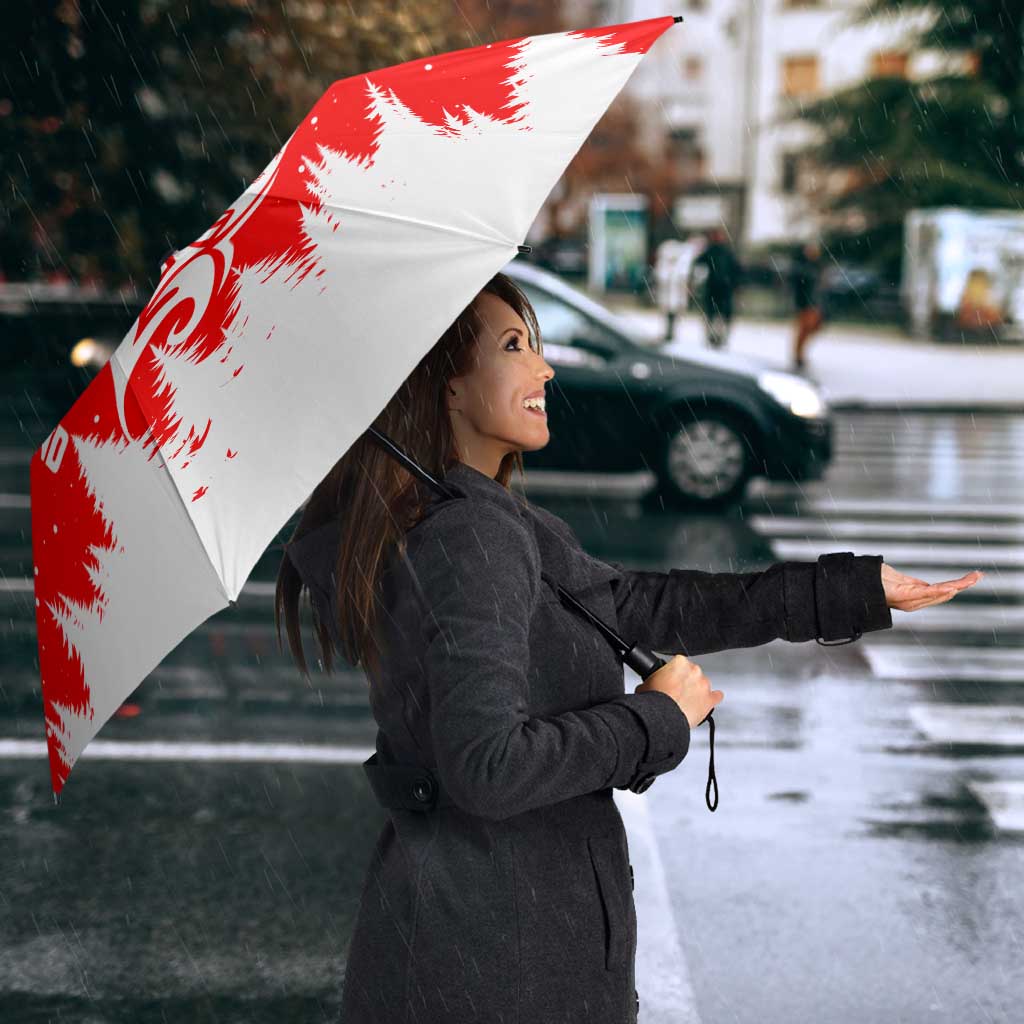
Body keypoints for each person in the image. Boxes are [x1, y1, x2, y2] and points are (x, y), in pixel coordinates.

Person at [275, 271, 975, 1024]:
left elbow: (639, 605)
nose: (544, 368)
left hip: (480, 941)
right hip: (500, 962)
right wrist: (656, 719)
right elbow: (487, 767)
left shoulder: (476, 517)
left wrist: (850, 591)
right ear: (445, 386)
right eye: (514, 346)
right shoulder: (469, 536)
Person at [692, 226, 742, 349]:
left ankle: (719, 337)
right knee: (713, 314)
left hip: (723, 288)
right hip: (715, 288)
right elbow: (698, 264)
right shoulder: (712, 251)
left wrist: (735, 284)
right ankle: (713, 337)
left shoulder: (725, 252)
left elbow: (736, 270)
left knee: (720, 315)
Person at [790, 239, 826, 370]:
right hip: (805, 303)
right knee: (804, 329)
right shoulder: (802, 267)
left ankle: (799, 354)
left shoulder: (817, 266)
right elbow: (799, 286)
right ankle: (798, 355)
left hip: (814, 303)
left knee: (812, 328)